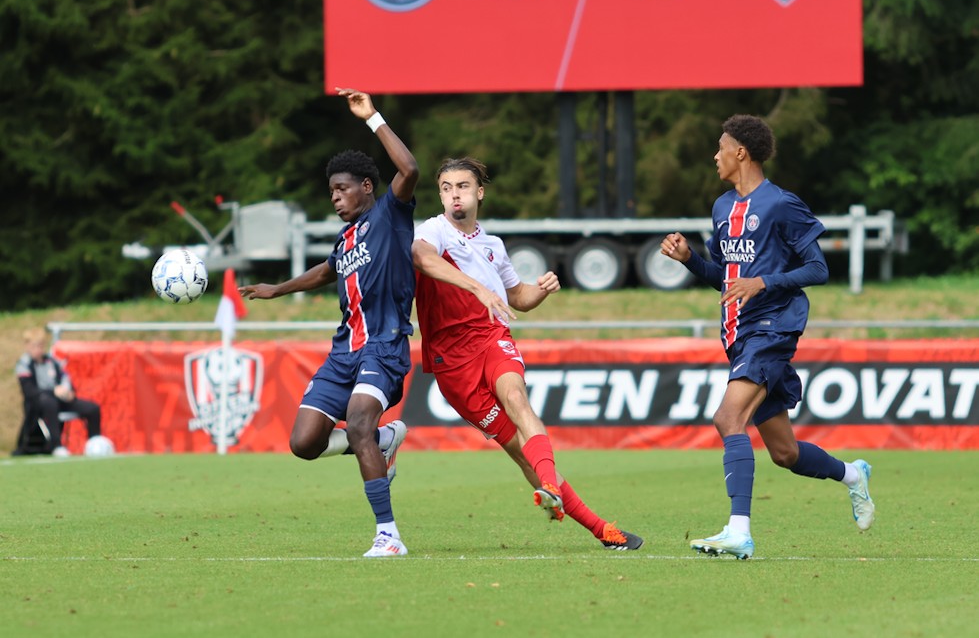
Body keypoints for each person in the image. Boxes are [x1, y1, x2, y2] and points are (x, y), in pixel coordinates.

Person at [659, 114, 875, 560]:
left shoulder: (780, 204)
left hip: (774, 326)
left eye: (721, 146)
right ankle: (853, 475)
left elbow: (818, 268)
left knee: (727, 419)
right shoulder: (722, 208)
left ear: (742, 152)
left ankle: (739, 531)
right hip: (740, 333)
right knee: (785, 453)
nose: (714, 154)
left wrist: (763, 283)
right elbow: (726, 277)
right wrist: (689, 260)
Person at [410, 157, 643, 551]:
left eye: (463, 186)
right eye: (447, 188)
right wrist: (477, 289)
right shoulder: (433, 231)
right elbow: (421, 259)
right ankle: (568, 501)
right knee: (519, 452)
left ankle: (593, 522)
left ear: (479, 193)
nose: (455, 195)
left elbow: (516, 296)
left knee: (518, 400)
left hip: (490, 336)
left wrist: (542, 289)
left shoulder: (493, 245)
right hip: (451, 362)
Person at [239, 88, 417, 558]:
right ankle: (383, 441)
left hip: (384, 346)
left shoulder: (390, 216)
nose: (335, 198)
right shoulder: (346, 240)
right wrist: (277, 289)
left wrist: (372, 116)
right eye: (332, 191)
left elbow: (411, 170)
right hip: (344, 354)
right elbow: (326, 271)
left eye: (342, 189)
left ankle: (388, 536)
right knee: (304, 443)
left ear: (366, 186)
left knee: (356, 422)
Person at [14, 327, 102, 456]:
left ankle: (95, 443)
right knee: (49, 403)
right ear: (27, 346)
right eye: (34, 346)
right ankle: (56, 445)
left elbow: (65, 377)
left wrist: (68, 391)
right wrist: (53, 391)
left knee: (92, 408)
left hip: (59, 399)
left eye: (40, 346)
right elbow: (30, 391)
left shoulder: (52, 361)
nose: (38, 350)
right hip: (38, 404)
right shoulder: (24, 365)